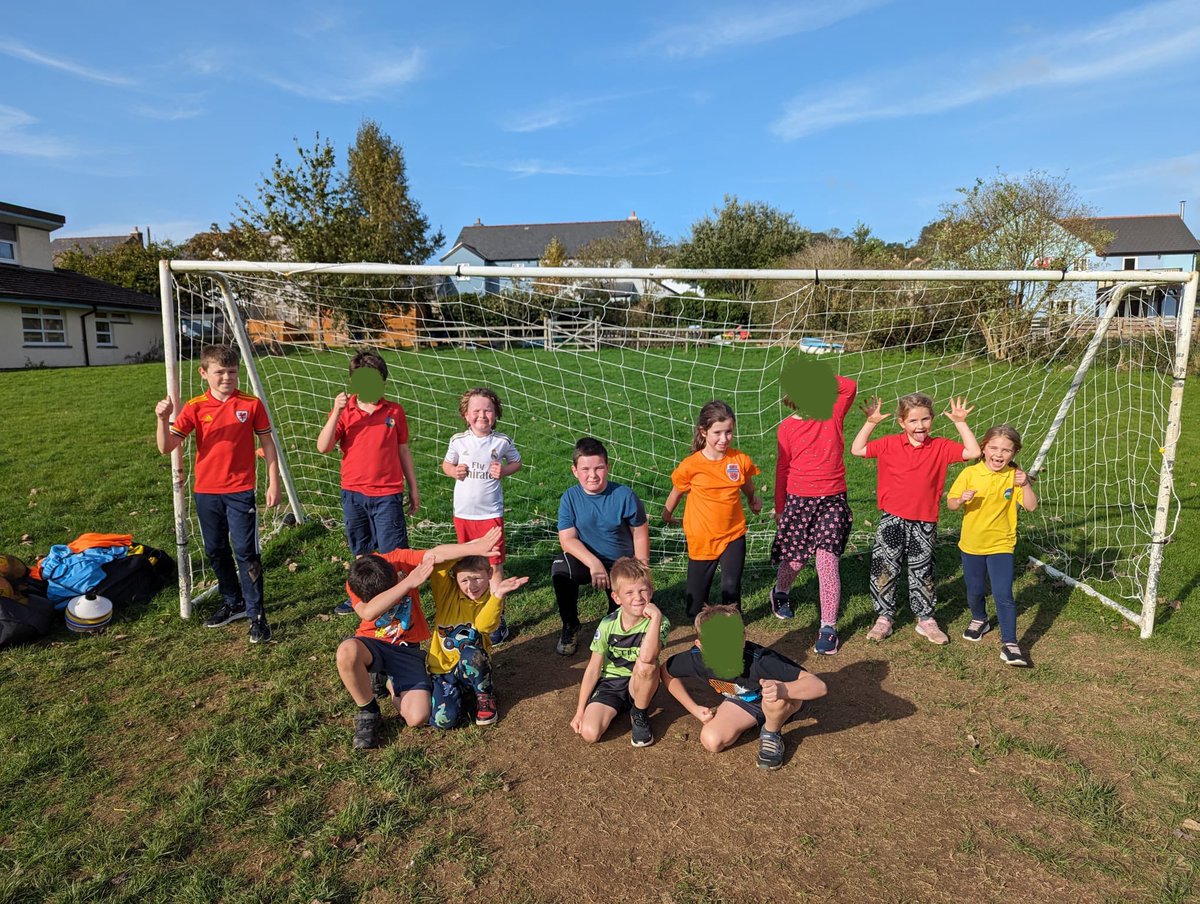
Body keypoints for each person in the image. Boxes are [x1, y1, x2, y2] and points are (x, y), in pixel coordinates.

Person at [155, 344, 280, 643]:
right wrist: (162, 419)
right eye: (220, 372)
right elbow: (166, 447)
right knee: (214, 550)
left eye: (232, 372)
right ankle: (232, 601)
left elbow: (268, 444)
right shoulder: (196, 407)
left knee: (246, 552)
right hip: (206, 492)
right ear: (204, 373)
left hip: (240, 491)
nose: (227, 377)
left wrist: (272, 482)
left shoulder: (251, 404)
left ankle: (257, 616)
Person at [336, 528, 502, 750]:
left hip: (407, 648)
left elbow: (436, 554)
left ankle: (390, 681)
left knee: (418, 718)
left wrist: (475, 547)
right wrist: (408, 583)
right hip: (372, 643)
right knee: (347, 651)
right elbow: (367, 613)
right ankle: (368, 711)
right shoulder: (358, 578)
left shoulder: (397, 560)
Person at [851, 392, 980, 644]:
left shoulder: (941, 446)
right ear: (902, 422)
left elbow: (973, 452)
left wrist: (960, 422)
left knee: (923, 571)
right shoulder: (889, 443)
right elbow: (857, 449)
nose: (920, 426)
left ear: (932, 419)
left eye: (925, 419)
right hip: (892, 518)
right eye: (913, 421)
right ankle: (884, 617)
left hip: (924, 520)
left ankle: (926, 619)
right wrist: (871, 423)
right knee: (885, 567)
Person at [661, 605, 827, 770]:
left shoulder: (761, 661)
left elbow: (818, 686)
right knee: (712, 740)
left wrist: (783, 689)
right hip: (744, 702)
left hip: (782, 700)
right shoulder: (696, 660)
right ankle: (757, 721)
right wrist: (694, 709)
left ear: (743, 639)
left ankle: (771, 732)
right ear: (700, 645)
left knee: (774, 698)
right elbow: (666, 672)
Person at [316, 351, 420, 616]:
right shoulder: (345, 411)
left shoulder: (394, 411)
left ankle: (397, 597)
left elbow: (403, 450)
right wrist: (337, 411)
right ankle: (361, 596)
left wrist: (413, 487)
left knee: (392, 552)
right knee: (362, 551)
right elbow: (323, 446)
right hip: (353, 494)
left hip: (388, 495)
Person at [771, 374, 858, 655]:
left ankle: (828, 627)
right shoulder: (786, 428)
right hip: (798, 501)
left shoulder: (833, 413)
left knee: (827, 562)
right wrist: (781, 507)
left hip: (832, 500)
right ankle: (780, 592)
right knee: (795, 560)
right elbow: (783, 468)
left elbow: (850, 386)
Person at [947, 424, 1039, 667]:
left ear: (1014, 453)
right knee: (975, 589)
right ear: (984, 448)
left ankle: (1010, 644)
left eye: (1006, 450)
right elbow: (951, 504)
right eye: (994, 448)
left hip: (1002, 545)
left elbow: (1031, 506)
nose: (999, 454)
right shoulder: (970, 474)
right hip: (972, 544)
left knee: (1003, 594)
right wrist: (961, 499)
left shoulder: (1015, 477)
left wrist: (1026, 484)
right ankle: (980, 618)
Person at [663, 400, 761, 618]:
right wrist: (667, 514)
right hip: (702, 538)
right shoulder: (691, 465)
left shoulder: (739, 460)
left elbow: (747, 484)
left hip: (733, 534)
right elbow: (676, 492)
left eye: (729, 432)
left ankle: (732, 630)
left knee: (731, 588)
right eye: (717, 432)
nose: (724, 438)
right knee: (695, 604)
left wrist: (753, 500)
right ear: (703, 431)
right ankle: (700, 632)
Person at [552, 437, 649, 656]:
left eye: (599, 468)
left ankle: (614, 616)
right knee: (561, 566)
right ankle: (570, 625)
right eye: (585, 469)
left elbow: (640, 535)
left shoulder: (624, 495)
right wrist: (593, 563)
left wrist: (642, 572)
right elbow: (567, 539)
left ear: (608, 467)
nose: (592, 475)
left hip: (620, 564)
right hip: (587, 562)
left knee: (623, 627)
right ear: (575, 470)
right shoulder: (570, 497)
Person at [442, 387, 522, 645]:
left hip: (490, 515)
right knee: (465, 563)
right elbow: (446, 464)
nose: (482, 415)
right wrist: (454, 471)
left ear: (495, 413)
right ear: (466, 415)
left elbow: (517, 463)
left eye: (487, 410)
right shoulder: (458, 441)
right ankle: (466, 611)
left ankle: (497, 618)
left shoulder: (502, 442)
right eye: (476, 411)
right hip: (464, 514)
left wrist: (504, 470)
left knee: (494, 565)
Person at [570, 557, 669, 748]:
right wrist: (580, 710)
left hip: (638, 681)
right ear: (617, 598)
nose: (638, 598)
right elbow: (593, 669)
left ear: (651, 591)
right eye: (629, 592)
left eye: (643, 590)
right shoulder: (608, 624)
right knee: (589, 733)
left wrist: (656, 617)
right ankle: (617, 706)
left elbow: (649, 657)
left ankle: (639, 714)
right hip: (610, 683)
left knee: (647, 665)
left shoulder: (660, 622)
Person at [428, 554, 528, 728]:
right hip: (443, 671)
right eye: (464, 580)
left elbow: (484, 626)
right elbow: (439, 567)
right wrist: (470, 548)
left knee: (471, 652)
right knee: (443, 722)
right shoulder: (446, 594)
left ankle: (484, 696)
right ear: (454, 576)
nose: (471, 586)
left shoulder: (490, 597)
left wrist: (498, 596)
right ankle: (460, 695)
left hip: (472, 664)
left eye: (476, 578)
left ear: (489, 574)